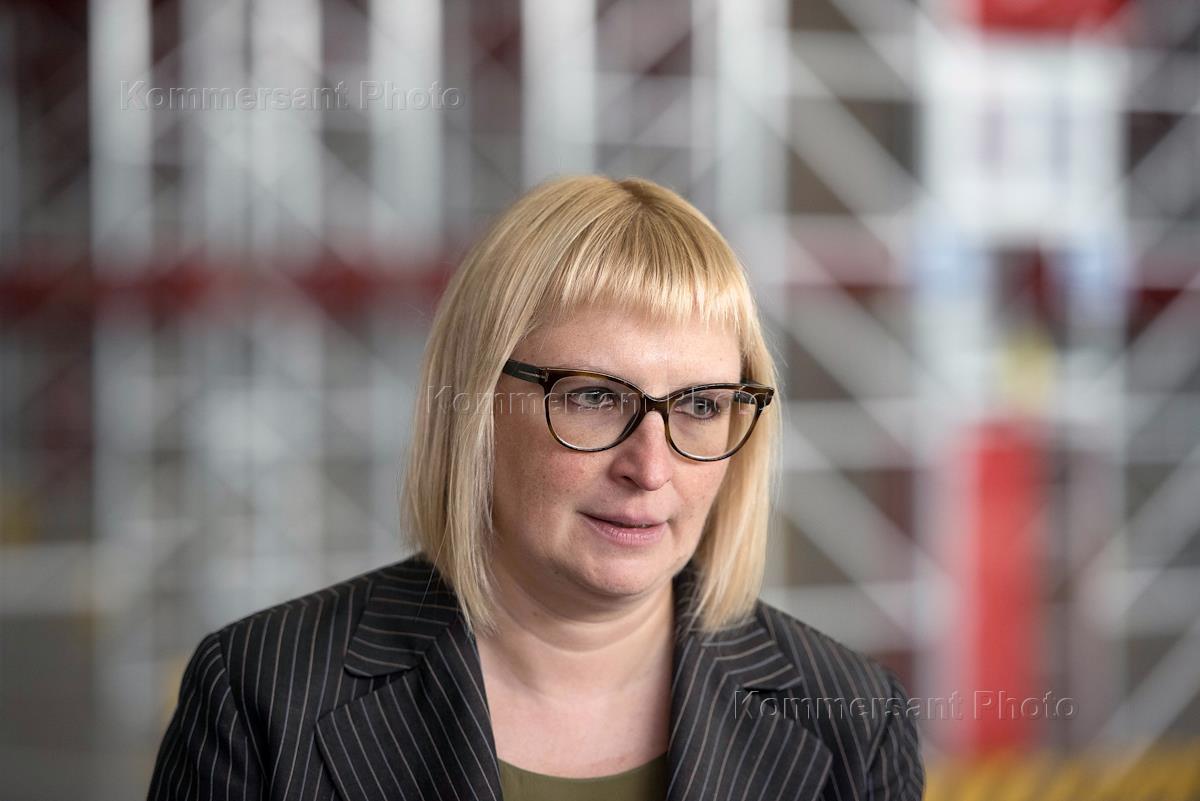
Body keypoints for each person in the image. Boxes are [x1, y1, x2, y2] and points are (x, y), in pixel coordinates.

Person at [146, 175, 925, 801]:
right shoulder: (262, 693)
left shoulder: (854, 721)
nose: (651, 468)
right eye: (594, 396)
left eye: (700, 406)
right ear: (476, 408)